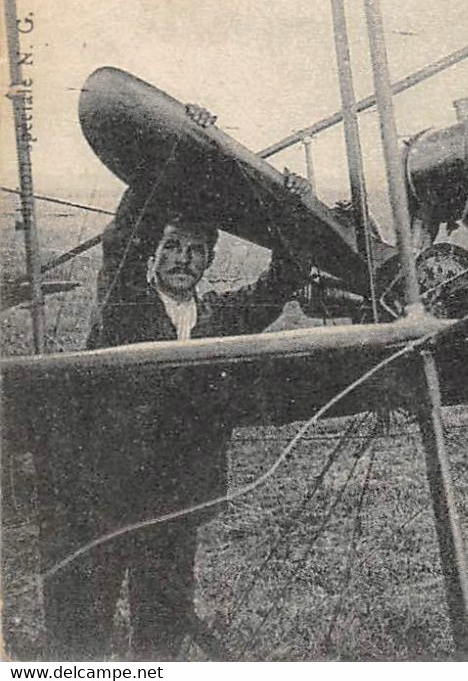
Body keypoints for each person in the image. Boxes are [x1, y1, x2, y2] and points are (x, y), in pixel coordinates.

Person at [40, 103, 307, 659]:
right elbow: (123, 242)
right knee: (84, 629)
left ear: (207, 261)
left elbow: (275, 285)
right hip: (108, 499)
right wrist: (169, 155)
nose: (182, 259)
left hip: (177, 501)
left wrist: (293, 212)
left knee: (161, 625)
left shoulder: (216, 318)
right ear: (156, 257)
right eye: (172, 248)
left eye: (195, 251)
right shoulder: (126, 305)